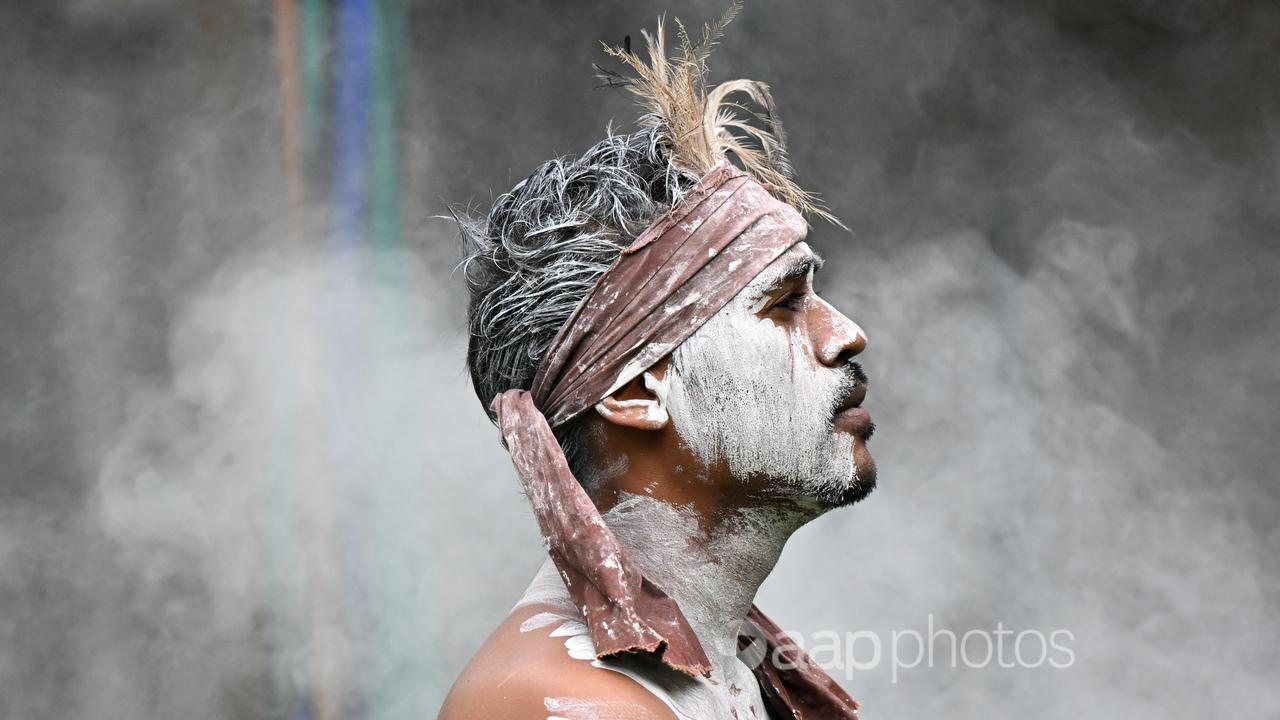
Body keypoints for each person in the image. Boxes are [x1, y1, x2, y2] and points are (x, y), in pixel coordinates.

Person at [440, 9, 874, 719]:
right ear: (640, 389)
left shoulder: (736, 679)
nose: (847, 334)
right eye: (785, 302)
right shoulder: (563, 706)